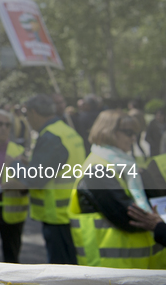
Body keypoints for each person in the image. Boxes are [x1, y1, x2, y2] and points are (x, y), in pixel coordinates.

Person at [68, 110, 164, 269]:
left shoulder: (124, 164)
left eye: (136, 133)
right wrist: (159, 224)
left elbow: (157, 203)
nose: (134, 138)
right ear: (108, 131)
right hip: (112, 269)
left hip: (134, 266)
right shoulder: (96, 171)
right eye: (129, 133)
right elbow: (131, 218)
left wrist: (145, 178)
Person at [3, 94, 85, 265]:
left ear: (33, 112)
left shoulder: (50, 136)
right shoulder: (66, 131)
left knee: (61, 271)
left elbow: (35, 178)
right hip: (70, 210)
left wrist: (14, 164)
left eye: (26, 114)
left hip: (57, 215)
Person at [0, 110, 28, 263]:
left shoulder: (19, 151)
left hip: (13, 214)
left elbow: (29, 184)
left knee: (12, 260)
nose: (3, 128)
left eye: (7, 125)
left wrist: (18, 185)